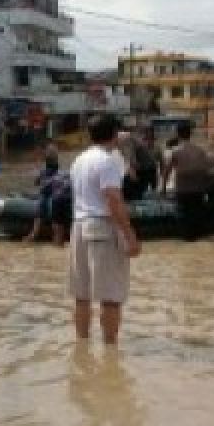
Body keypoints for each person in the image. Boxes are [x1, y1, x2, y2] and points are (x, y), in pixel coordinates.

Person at [68, 114, 141, 344]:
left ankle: (82, 344)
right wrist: (130, 236)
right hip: (101, 227)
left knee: (82, 295)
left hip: (79, 226)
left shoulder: (79, 160)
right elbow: (113, 201)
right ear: (114, 134)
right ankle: (110, 350)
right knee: (111, 296)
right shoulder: (107, 161)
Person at [162, 121, 214, 241]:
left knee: (185, 219)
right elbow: (208, 169)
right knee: (197, 215)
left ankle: (188, 239)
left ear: (177, 134)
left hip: (183, 190)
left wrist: (163, 189)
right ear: (191, 134)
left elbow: (166, 172)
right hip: (198, 189)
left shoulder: (175, 151)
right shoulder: (200, 150)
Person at [24, 145, 71, 245]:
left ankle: (35, 234)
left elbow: (36, 182)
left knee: (43, 206)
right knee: (44, 205)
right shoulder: (55, 172)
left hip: (52, 196)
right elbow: (37, 181)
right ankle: (38, 234)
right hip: (53, 195)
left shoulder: (48, 171)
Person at [117, 128, 144, 201]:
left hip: (122, 175)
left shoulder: (119, 139)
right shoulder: (126, 138)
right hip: (128, 175)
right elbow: (128, 157)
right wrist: (132, 172)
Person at [134, 128, 160, 196]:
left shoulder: (157, 147)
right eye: (147, 138)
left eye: (151, 138)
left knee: (154, 190)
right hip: (142, 172)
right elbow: (134, 159)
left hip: (152, 171)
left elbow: (161, 160)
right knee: (141, 190)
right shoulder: (139, 147)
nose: (149, 140)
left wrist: (161, 174)